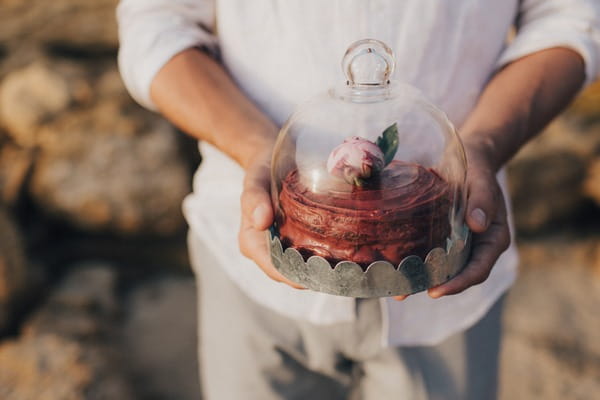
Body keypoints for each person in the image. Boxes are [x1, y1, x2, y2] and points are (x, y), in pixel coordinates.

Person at [117, 1, 600, 399]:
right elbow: (156, 22)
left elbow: (574, 16)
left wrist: (484, 146)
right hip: (252, 262)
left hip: (446, 264)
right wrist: (257, 150)